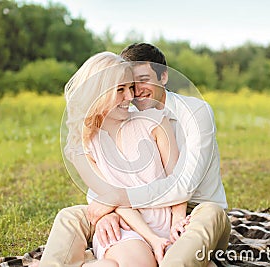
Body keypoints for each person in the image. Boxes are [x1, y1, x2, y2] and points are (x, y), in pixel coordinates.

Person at [40, 43, 231, 267]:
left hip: (193, 210)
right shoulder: (125, 116)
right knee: (70, 217)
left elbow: (183, 184)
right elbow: (107, 181)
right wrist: (106, 212)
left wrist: (117, 199)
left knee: (209, 214)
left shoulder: (196, 112)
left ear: (164, 77)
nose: (134, 92)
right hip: (136, 214)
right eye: (128, 84)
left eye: (142, 80)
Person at [61, 51, 187, 266]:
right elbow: (113, 199)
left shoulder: (155, 122)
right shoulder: (82, 146)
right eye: (120, 90)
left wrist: (177, 226)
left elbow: (177, 182)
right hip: (125, 227)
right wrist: (153, 239)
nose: (130, 97)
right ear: (97, 92)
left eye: (130, 88)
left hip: (166, 221)